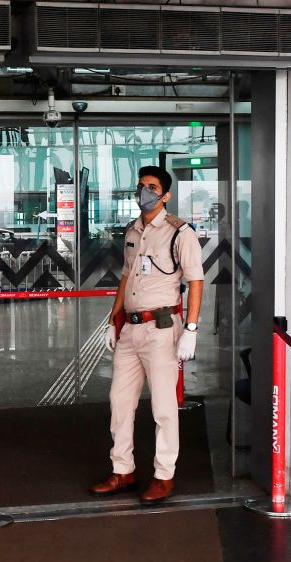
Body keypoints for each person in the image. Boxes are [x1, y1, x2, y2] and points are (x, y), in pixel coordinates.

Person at [91, 166, 205, 505]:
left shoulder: (179, 232)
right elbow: (126, 277)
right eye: (141, 186)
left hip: (161, 330)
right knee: (120, 402)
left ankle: (163, 476)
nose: (144, 192)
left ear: (165, 195)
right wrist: (114, 319)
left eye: (152, 187)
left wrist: (192, 330)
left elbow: (196, 280)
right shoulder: (132, 230)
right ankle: (123, 469)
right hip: (130, 329)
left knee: (164, 409)